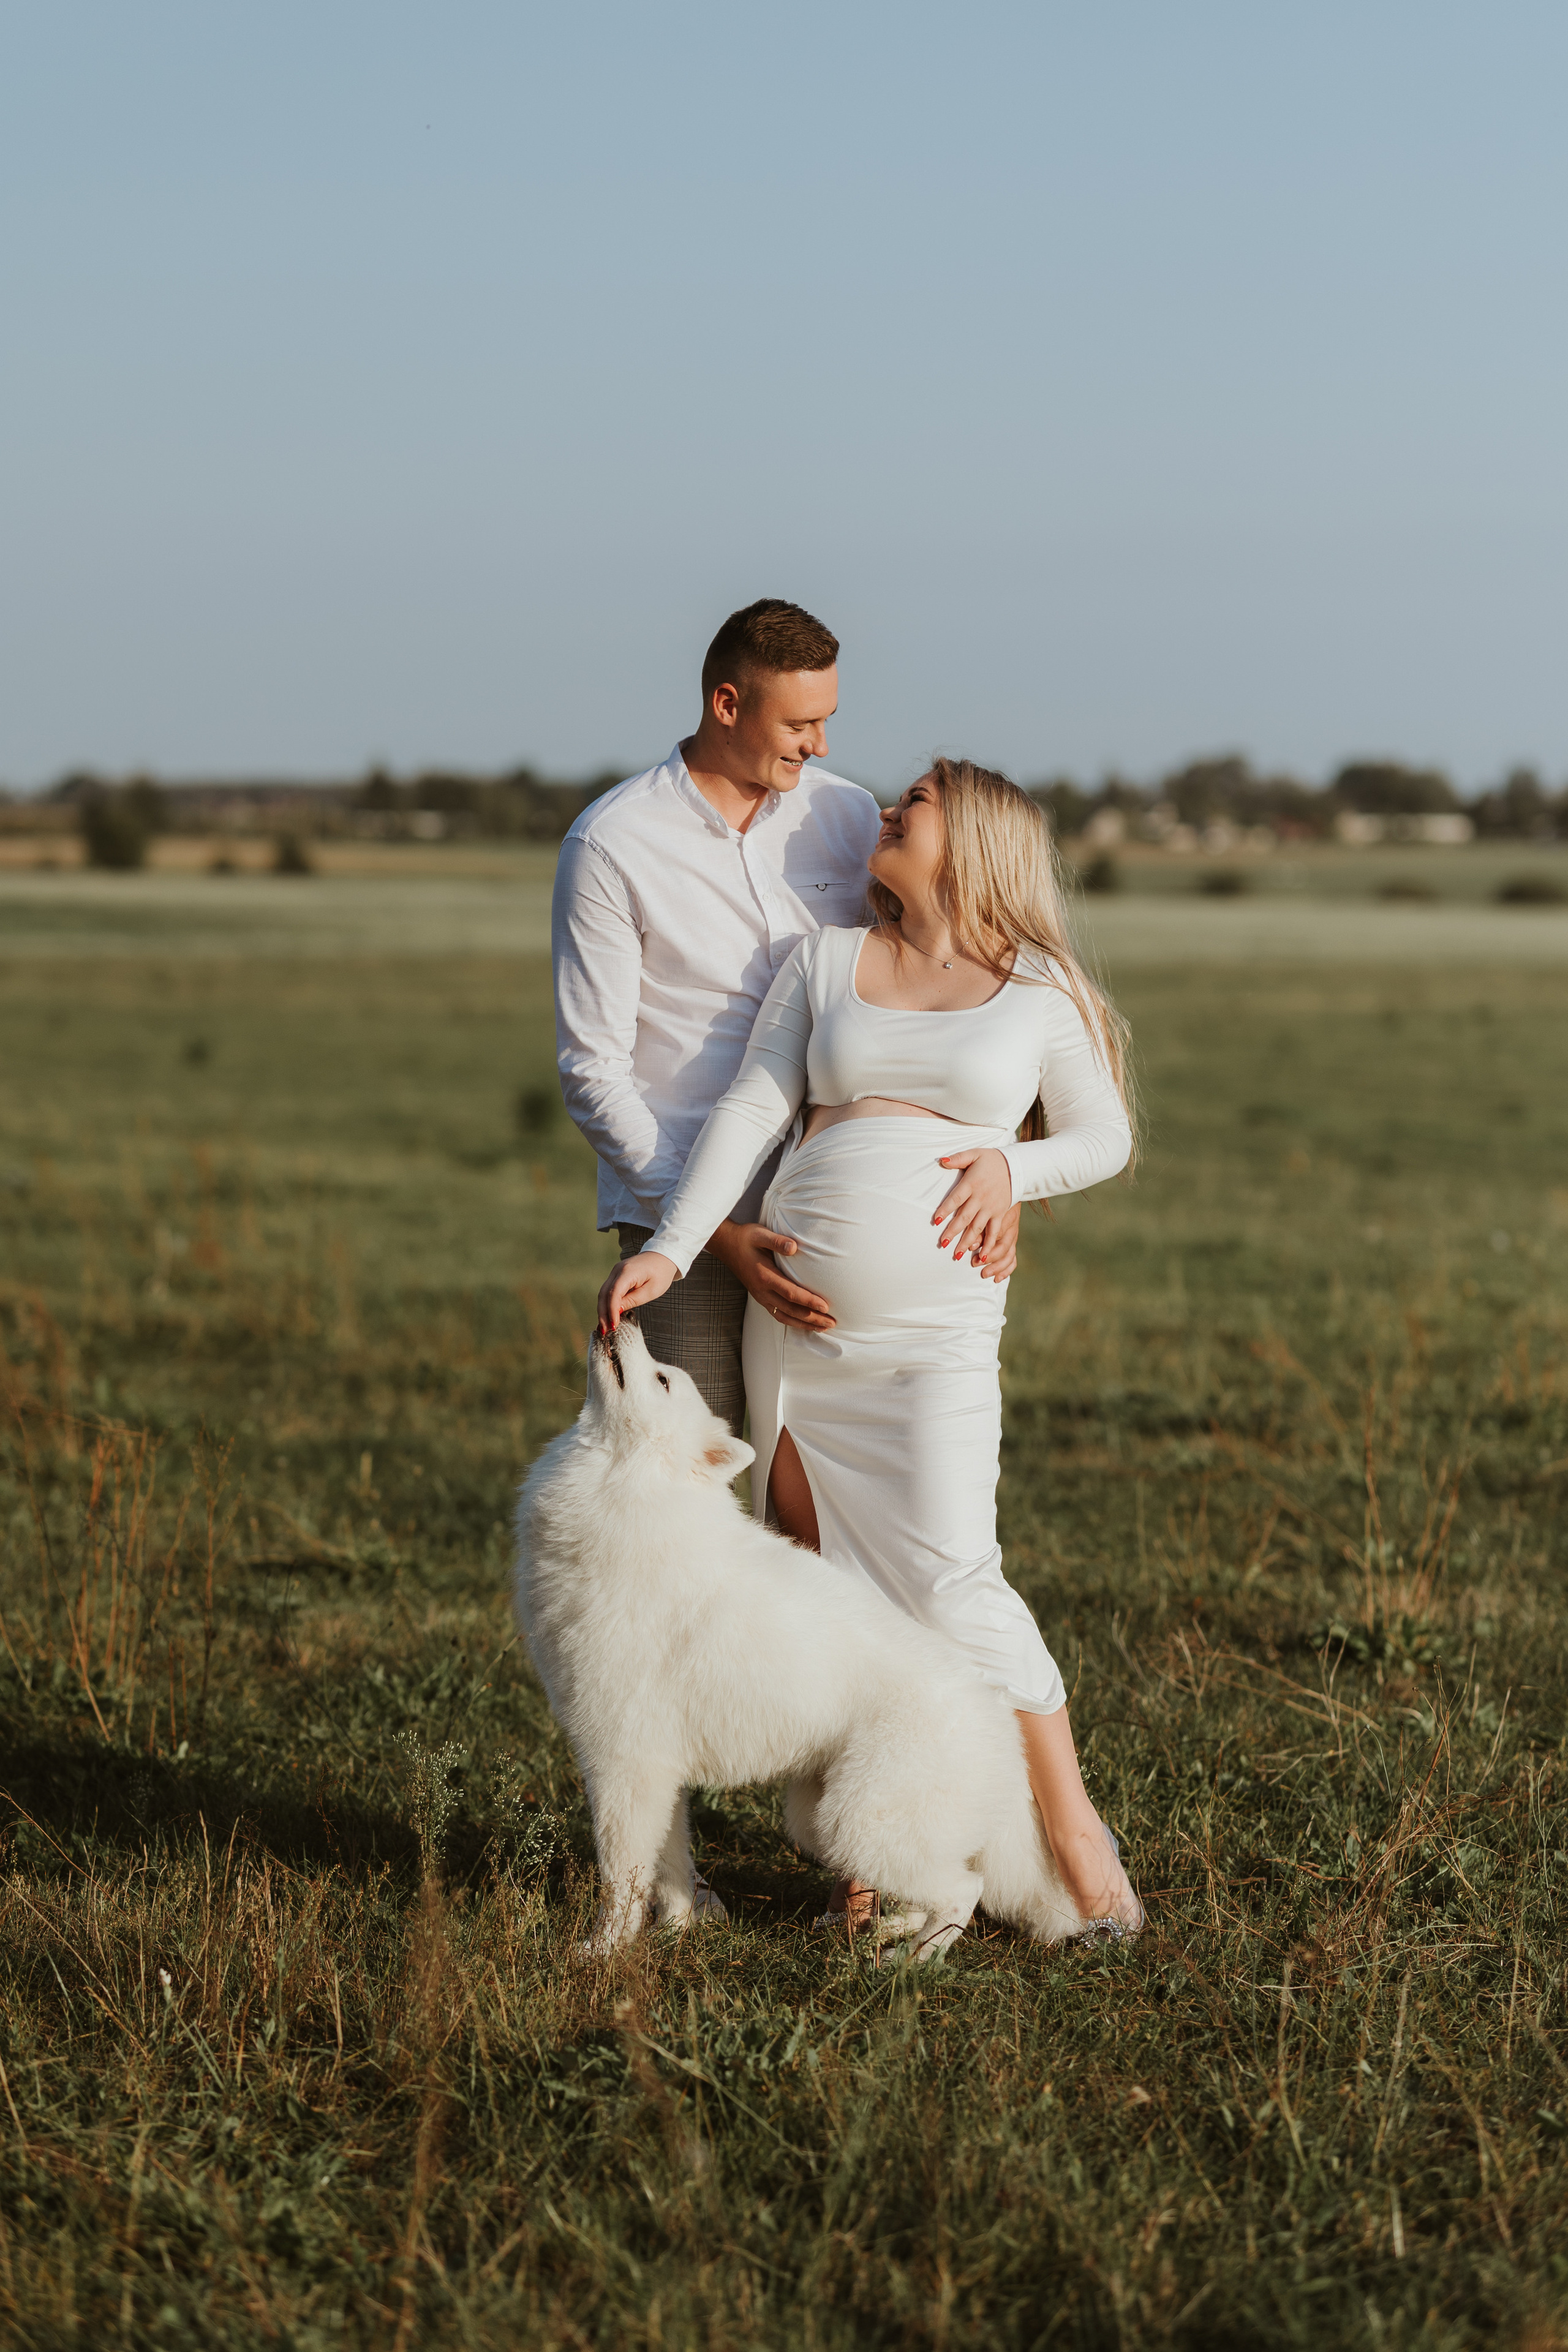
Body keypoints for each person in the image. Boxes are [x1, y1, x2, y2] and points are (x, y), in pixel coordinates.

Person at [600, 758, 1145, 1938]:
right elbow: (752, 1103)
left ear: (978, 842)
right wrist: (678, 1246)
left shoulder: (1037, 989)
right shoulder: (826, 961)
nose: (887, 813)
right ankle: (871, 1851)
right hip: (798, 1341)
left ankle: (1071, 1835)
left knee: (956, 1577)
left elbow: (1105, 1136)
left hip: (938, 1335)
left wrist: (1014, 1167)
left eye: (916, 805)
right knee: (823, 1583)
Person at [552, 600, 1020, 1438]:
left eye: (829, 719)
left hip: (841, 1204)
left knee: (821, 1486)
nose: (822, 745)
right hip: (677, 1219)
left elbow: (943, 982)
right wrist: (713, 1230)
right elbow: (592, 1073)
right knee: (680, 1488)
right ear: (726, 705)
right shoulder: (611, 844)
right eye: (800, 723)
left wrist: (1004, 1171)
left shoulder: (845, 818)